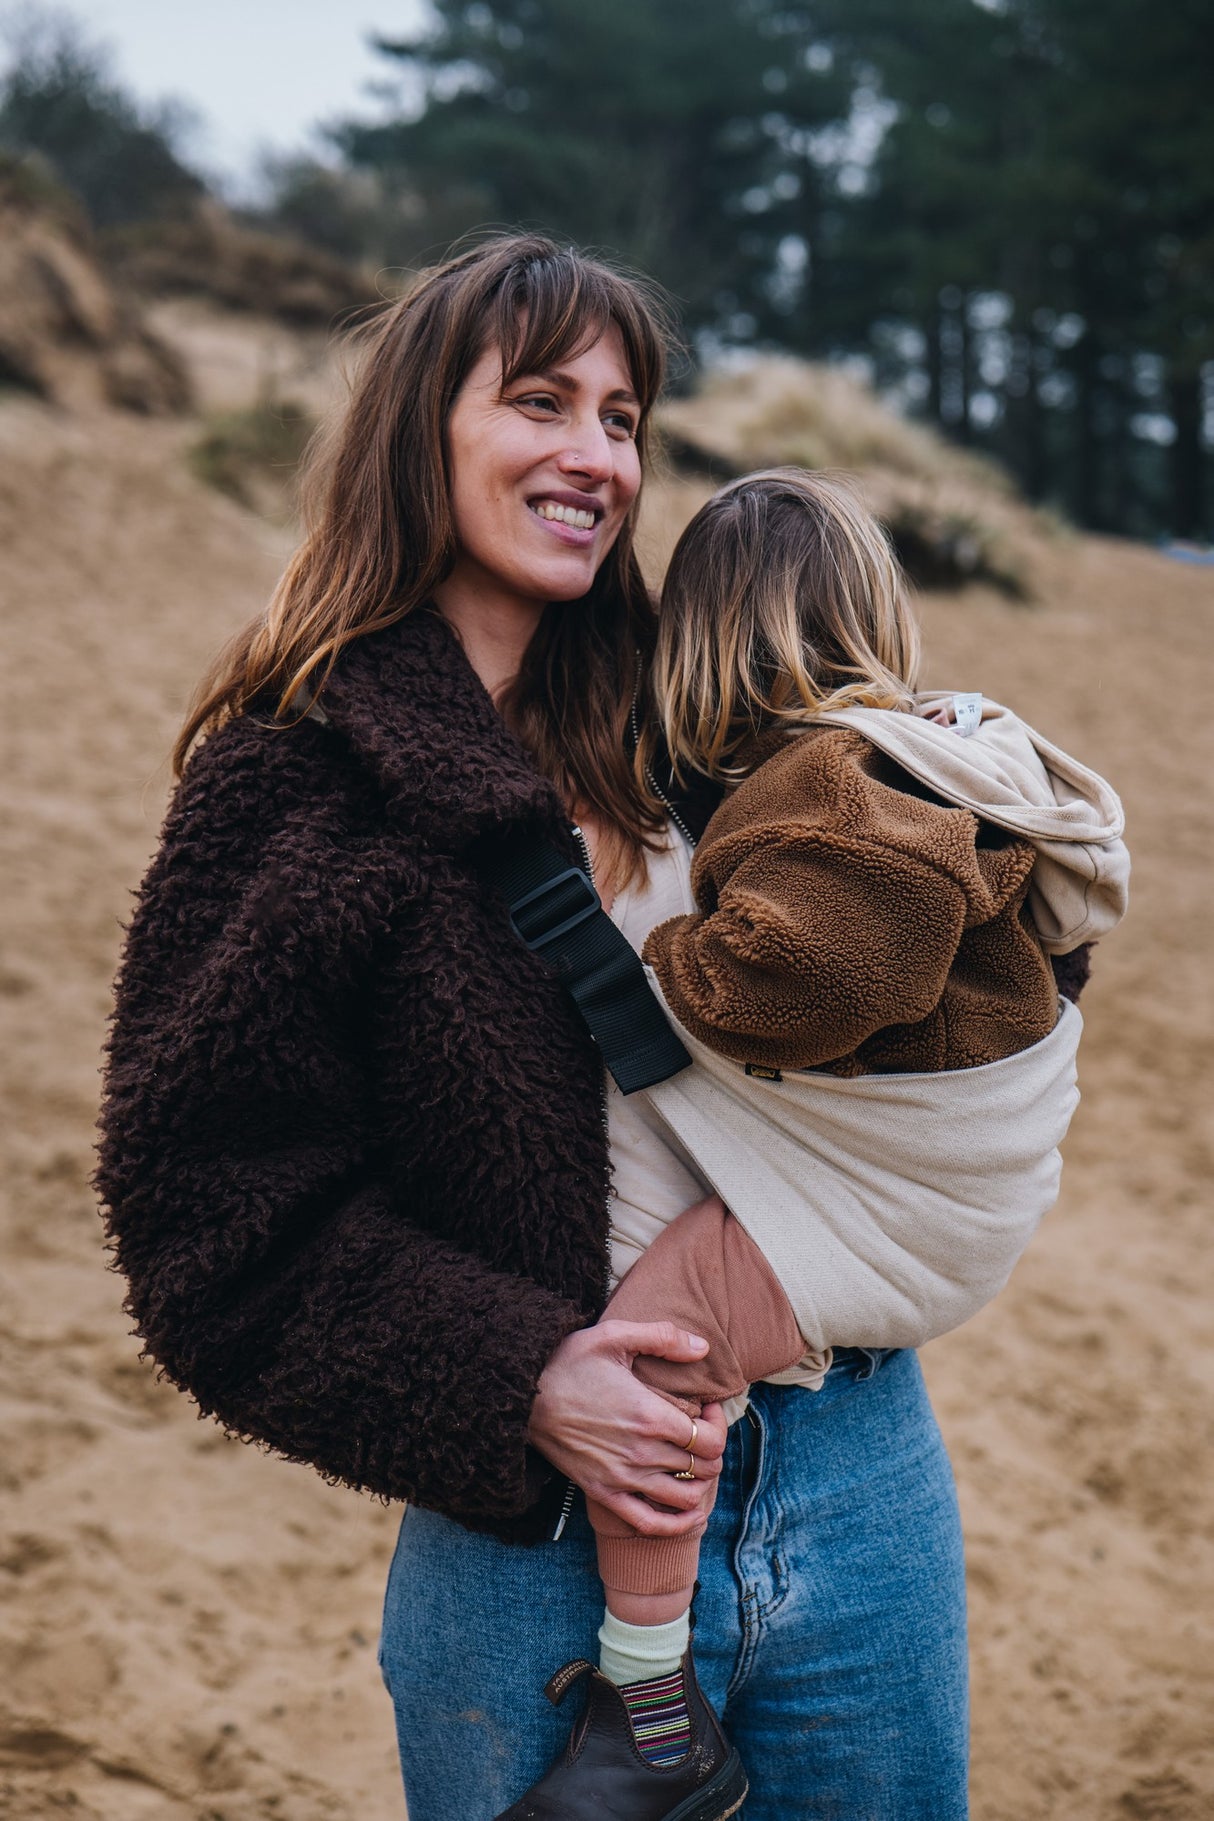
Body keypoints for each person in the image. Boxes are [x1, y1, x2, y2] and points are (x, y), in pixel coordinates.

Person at [95, 237, 994, 1821]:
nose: (594, 455)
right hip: (542, 1537)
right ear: (416, 431)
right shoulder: (294, 779)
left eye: (623, 417)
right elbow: (204, 1219)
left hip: (864, 1479)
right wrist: (522, 1376)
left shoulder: (709, 718)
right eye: (538, 403)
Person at [495, 467, 1127, 1813]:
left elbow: (817, 977)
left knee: (664, 1336)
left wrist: (665, 963)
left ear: (705, 643)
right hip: (946, 1192)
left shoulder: (841, 788)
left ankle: (646, 1699)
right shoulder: (926, 771)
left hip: (897, 1197)